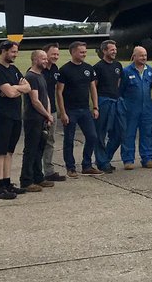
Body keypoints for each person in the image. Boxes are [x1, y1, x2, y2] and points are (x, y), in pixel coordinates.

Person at [0, 39, 31, 199]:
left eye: (16, 52)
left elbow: (27, 87)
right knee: (0, 152)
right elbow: (12, 93)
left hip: (15, 115)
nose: (15, 55)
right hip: (2, 117)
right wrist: (15, 89)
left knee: (9, 152)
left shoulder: (13, 69)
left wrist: (14, 88)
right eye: (13, 52)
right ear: (4, 51)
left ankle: (7, 183)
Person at [57, 40, 99, 176]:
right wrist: (62, 112)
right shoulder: (64, 70)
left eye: (85, 52)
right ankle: (70, 167)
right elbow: (59, 92)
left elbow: (92, 87)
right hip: (70, 110)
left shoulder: (88, 68)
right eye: (81, 52)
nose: (84, 54)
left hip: (85, 109)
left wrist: (95, 107)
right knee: (69, 139)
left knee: (92, 136)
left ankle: (87, 165)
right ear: (73, 52)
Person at [20, 48, 54, 192]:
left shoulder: (41, 76)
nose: (46, 61)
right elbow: (35, 101)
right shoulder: (31, 77)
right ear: (35, 60)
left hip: (42, 118)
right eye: (43, 58)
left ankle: (38, 177)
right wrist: (47, 114)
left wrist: (49, 114)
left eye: (46, 58)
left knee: (39, 149)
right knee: (31, 150)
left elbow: (45, 97)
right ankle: (26, 180)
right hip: (33, 119)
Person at [120, 45, 152, 168]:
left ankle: (147, 158)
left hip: (146, 108)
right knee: (129, 134)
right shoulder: (126, 71)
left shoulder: (150, 71)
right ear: (134, 56)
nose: (144, 57)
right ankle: (128, 160)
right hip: (131, 108)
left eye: (145, 55)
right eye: (141, 55)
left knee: (147, 133)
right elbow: (121, 90)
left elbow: (149, 86)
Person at [93, 40, 123, 173]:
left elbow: (118, 82)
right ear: (104, 51)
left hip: (116, 101)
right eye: (112, 50)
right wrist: (96, 105)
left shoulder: (118, 65)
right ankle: (101, 162)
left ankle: (106, 158)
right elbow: (94, 86)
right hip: (103, 100)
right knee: (101, 132)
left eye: (115, 49)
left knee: (119, 132)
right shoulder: (98, 67)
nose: (114, 52)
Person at [40, 43, 67, 181]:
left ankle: (49, 171)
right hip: (40, 111)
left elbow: (58, 91)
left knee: (50, 141)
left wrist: (61, 111)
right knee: (39, 142)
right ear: (45, 54)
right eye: (53, 54)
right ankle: (37, 172)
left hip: (53, 111)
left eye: (57, 54)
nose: (55, 56)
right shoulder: (38, 70)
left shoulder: (56, 69)